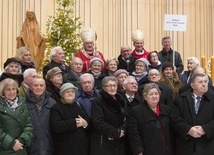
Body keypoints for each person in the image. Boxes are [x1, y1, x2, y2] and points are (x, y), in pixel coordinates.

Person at [171, 73, 214, 155]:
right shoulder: (180, 99)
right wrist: (188, 129)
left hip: (208, 145)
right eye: (200, 82)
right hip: (186, 145)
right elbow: (175, 118)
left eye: (205, 81)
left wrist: (205, 129)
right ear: (193, 85)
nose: (204, 84)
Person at [128, 83, 175, 155]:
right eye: (151, 94)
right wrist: (138, 151)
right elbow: (134, 134)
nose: (154, 96)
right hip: (148, 150)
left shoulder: (167, 110)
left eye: (156, 94)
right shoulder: (136, 111)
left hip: (166, 150)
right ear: (145, 97)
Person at [50, 83, 90, 155]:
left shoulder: (78, 105)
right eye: (67, 92)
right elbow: (56, 126)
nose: (70, 93)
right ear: (62, 94)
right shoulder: (56, 108)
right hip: (65, 148)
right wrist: (74, 123)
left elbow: (88, 122)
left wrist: (85, 123)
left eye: (72, 91)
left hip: (82, 148)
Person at [90, 76, 127, 155]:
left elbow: (126, 118)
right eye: (109, 86)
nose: (112, 88)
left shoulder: (121, 99)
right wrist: (115, 132)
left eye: (114, 85)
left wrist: (122, 131)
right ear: (103, 87)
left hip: (120, 140)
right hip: (104, 140)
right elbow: (98, 121)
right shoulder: (98, 101)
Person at [0, 78, 33, 155]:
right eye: (8, 90)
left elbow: (29, 125)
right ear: (2, 92)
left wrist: (22, 140)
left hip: (21, 148)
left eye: (13, 89)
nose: (11, 92)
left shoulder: (22, 103)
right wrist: (12, 143)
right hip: (5, 149)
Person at [25, 78, 56, 155]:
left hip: (49, 144)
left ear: (45, 87)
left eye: (41, 85)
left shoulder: (52, 102)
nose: (38, 88)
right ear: (31, 87)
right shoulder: (23, 103)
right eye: (35, 85)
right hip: (30, 145)